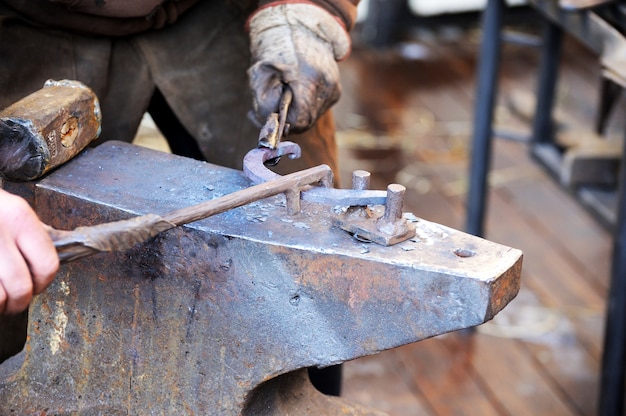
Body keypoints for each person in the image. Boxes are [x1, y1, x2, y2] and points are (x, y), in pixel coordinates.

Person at [0, 0, 357, 395]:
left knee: (311, 264)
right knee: (19, 273)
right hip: (30, 22)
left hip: (221, 15)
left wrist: (309, 10)